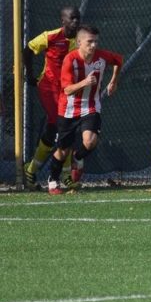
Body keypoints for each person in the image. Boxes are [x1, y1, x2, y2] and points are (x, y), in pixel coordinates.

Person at [45, 24, 122, 195]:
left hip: (91, 106)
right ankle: (53, 179)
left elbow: (118, 60)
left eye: (96, 41)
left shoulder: (101, 57)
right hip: (68, 109)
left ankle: (78, 157)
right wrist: (84, 83)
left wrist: (113, 81)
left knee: (90, 141)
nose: (93, 45)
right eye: (89, 42)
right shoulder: (70, 60)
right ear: (79, 42)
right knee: (63, 150)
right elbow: (67, 90)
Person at [22, 6, 79, 190]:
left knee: (59, 128)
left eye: (77, 18)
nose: (75, 22)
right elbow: (28, 49)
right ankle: (62, 174)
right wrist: (29, 74)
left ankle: (32, 170)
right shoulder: (51, 36)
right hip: (48, 88)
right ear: (63, 21)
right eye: (72, 18)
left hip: (67, 90)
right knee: (59, 124)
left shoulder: (81, 39)